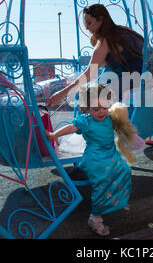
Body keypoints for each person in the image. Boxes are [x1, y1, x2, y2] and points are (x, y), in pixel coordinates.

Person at [45, 84, 142, 236]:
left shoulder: (110, 116)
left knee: (125, 170)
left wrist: (126, 123)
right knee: (103, 180)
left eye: (104, 107)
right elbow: (71, 127)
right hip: (94, 157)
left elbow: (123, 126)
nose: (101, 112)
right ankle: (95, 218)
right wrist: (54, 134)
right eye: (96, 109)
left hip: (110, 153)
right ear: (86, 108)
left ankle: (118, 200)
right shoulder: (86, 121)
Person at [47, 4, 144, 107]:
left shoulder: (106, 40)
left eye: (89, 23)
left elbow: (89, 73)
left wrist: (61, 94)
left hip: (134, 82)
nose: (87, 28)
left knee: (91, 97)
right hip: (150, 78)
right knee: (98, 92)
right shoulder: (123, 32)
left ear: (101, 19)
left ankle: (97, 123)